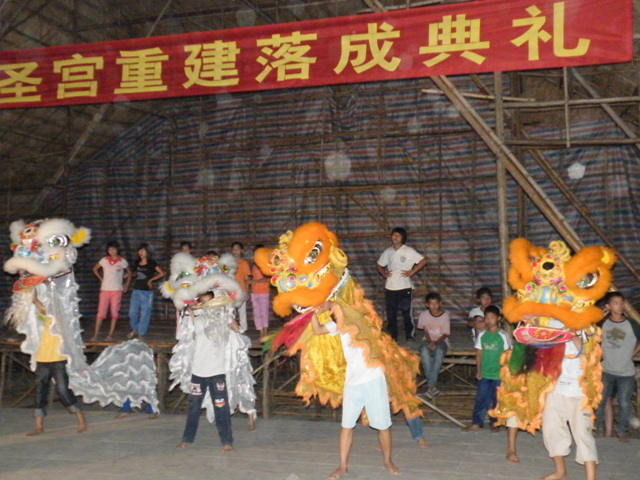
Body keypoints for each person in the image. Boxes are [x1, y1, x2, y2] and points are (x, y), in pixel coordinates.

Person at [310, 302, 400, 479]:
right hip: (352, 382)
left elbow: (346, 310)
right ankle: (342, 466)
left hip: (373, 378)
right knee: (346, 425)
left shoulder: (362, 318)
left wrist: (329, 304)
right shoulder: (338, 323)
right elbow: (318, 330)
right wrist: (310, 312)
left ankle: (388, 460)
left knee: (383, 425)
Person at [176, 291, 237, 452]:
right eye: (204, 303)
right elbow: (187, 322)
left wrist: (225, 313)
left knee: (221, 407)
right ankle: (187, 439)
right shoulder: (197, 320)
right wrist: (192, 309)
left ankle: (227, 441)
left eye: (209, 303)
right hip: (198, 372)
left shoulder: (222, 320)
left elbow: (237, 329)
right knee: (193, 407)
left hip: (217, 372)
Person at [540, 332, 598, 480]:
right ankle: (561, 472)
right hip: (555, 389)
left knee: (583, 434)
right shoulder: (552, 323)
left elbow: (589, 353)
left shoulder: (586, 327)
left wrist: (571, 333)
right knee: (551, 430)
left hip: (579, 392)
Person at [27, 291, 87, 436]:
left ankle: (80, 418)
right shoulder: (46, 317)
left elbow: (43, 305)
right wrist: (32, 286)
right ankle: (38, 426)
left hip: (58, 359)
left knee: (63, 391)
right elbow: (36, 302)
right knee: (40, 392)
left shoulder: (64, 321)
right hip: (42, 359)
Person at [594, 292, 640, 442]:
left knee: (624, 402)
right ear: (608, 306)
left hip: (626, 371)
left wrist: (633, 353)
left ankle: (622, 432)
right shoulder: (603, 323)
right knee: (601, 400)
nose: (619, 306)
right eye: (615, 303)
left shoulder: (632, 324)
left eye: (621, 303)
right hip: (606, 369)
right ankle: (596, 429)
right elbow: (590, 334)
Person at [463, 305, 512, 432]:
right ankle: (476, 423)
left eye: (492, 317)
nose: (489, 320)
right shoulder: (482, 335)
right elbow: (478, 353)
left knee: (497, 400)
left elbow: (508, 354)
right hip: (485, 373)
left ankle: (495, 423)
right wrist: (478, 370)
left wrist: (507, 373)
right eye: (487, 318)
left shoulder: (503, 335)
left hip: (498, 374)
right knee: (481, 399)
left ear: (499, 318)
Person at [376, 227, 427, 341]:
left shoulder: (408, 250)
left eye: (398, 235)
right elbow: (379, 265)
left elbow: (423, 261)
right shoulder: (388, 251)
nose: (395, 237)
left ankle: (410, 335)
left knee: (406, 312)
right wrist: (384, 274)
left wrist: (412, 272)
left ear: (403, 238)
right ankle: (393, 336)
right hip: (390, 286)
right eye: (394, 235)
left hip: (404, 286)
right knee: (391, 313)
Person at [91, 240, 131, 342]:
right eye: (109, 249)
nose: (112, 251)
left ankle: (110, 334)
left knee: (114, 312)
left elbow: (130, 273)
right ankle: (95, 335)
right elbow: (95, 269)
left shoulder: (122, 261)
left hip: (117, 290)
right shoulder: (104, 260)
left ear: (117, 249)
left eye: (113, 249)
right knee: (101, 312)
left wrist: (126, 285)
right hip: (105, 289)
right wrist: (101, 279)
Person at [127, 243, 165, 342]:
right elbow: (135, 274)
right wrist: (130, 275)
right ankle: (135, 328)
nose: (141, 252)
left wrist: (151, 280)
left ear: (147, 252)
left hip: (147, 292)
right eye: (139, 250)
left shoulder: (152, 263)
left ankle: (141, 333)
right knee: (132, 312)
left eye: (143, 250)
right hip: (136, 290)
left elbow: (161, 273)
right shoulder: (136, 262)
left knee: (145, 313)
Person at [417, 292, 450, 399]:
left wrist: (435, 342)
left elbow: (445, 334)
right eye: (431, 303)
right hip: (428, 340)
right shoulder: (424, 315)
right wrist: (430, 342)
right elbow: (426, 332)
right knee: (424, 352)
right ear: (427, 305)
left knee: (439, 353)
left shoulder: (445, 316)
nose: (434, 306)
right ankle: (433, 386)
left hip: (441, 340)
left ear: (440, 304)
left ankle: (430, 385)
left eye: (436, 303)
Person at [248, 244, 270, 339]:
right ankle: (261, 332)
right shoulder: (253, 265)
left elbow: (267, 278)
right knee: (257, 314)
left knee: (264, 312)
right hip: (254, 293)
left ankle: (265, 332)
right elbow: (251, 278)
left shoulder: (266, 265)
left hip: (263, 292)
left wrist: (253, 282)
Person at [231, 241, 251, 333]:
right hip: (231, 290)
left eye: (237, 249)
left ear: (242, 251)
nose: (235, 251)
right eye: (234, 249)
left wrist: (247, 292)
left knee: (242, 311)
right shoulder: (228, 263)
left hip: (242, 289)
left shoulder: (244, 263)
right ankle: (233, 330)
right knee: (231, 311)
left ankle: (243, 330)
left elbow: (247, 279)